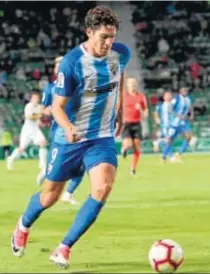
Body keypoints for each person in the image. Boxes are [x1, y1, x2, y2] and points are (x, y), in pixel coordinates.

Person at [11, 5, 131, 268]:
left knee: (102, 187)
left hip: (101, 137)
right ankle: (23, 224)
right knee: (49, 196)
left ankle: (64, 247)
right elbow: (56, 106)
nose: (109, 43)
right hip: (69, 139)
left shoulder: (121, 54)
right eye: (103, 37)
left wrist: (120, 107)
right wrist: (68, 128)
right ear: (89, 33)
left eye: (112, 36)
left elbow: (119, 77)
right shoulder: (72, 62)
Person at [41, 56, 82, 204]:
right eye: (58, 65)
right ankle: (48, 174)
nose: (60, 67)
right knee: (60, 170)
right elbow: (43, 109)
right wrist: (50, 110)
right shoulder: (50, 88)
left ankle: (68, 193)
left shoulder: (78, 85)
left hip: (77, 130)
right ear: (55, 69)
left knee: (81, 166)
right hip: (59, 131)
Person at [7, 91, 48, 185]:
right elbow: (29, 117)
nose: (36, 99)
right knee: (22, 149)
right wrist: (40, 114)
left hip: (35, 130)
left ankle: (42, 164)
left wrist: (41, 122)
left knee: (43, 142)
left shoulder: (39, 107)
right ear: (31, 99)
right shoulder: (29, 106)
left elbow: (38, 119)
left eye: (37, 98)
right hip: (27, 131)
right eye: (34, 98)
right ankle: (11, 159)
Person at [121, 77, 148, 175]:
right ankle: (124, 149)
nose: (133, 85)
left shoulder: (141, 97)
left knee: (137, 147)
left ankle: (133, 168)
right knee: (128, 144)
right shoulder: (123, 96)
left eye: (134, 83)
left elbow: (146, 114)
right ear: (127, 85)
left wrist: (140, 109)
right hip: (126, 124)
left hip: (137, 124)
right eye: (131, 83)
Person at [162, 87, 193, 162]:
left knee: (188, 136)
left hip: (183, 123)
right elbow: (170, 108)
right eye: (183, 90)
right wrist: (178, 115)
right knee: (170, 140)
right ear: (180, 91)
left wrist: (191, 115)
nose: (185, 91)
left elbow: (190, 108)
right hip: (175, 123)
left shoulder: (189, 99)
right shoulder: (177, 99)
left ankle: (179, 154)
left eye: (186, 90)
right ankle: (164, 156)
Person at [153, 90, 175, 161]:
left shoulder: (173, 105)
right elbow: (155, 112)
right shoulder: (161, 105)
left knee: (169, 140)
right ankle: (171, 156)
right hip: (164, 125)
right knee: (169, 139)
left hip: (172, 125)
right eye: (167, 95)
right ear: (164, 97)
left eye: (169, 95)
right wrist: (157, 119)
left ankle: (159, 142)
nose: (168, 97)